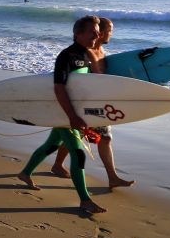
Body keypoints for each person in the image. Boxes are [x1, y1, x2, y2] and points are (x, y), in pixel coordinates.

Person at [17, 15, 105, 215]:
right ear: (78, 34)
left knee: (51, 145)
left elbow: (86, 86)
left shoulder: (87, 54)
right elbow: (59, 88)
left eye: (98, 31)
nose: (97, 34)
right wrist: (72, 116)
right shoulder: (66, 56)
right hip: (65, 112)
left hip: (73, 112)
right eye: (93, 31)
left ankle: (25, 173)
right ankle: (85, 200)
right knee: (78, 153)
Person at [50, 17, 135, 188]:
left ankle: (58, 165)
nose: (111, 33)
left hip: (98, 100)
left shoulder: (100, 50)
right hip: (92, 102)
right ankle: (108, 178)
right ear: (101, 32)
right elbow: (96, 79)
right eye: (110, 30)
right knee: (97, 138)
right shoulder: (88, 52)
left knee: (87, 137)